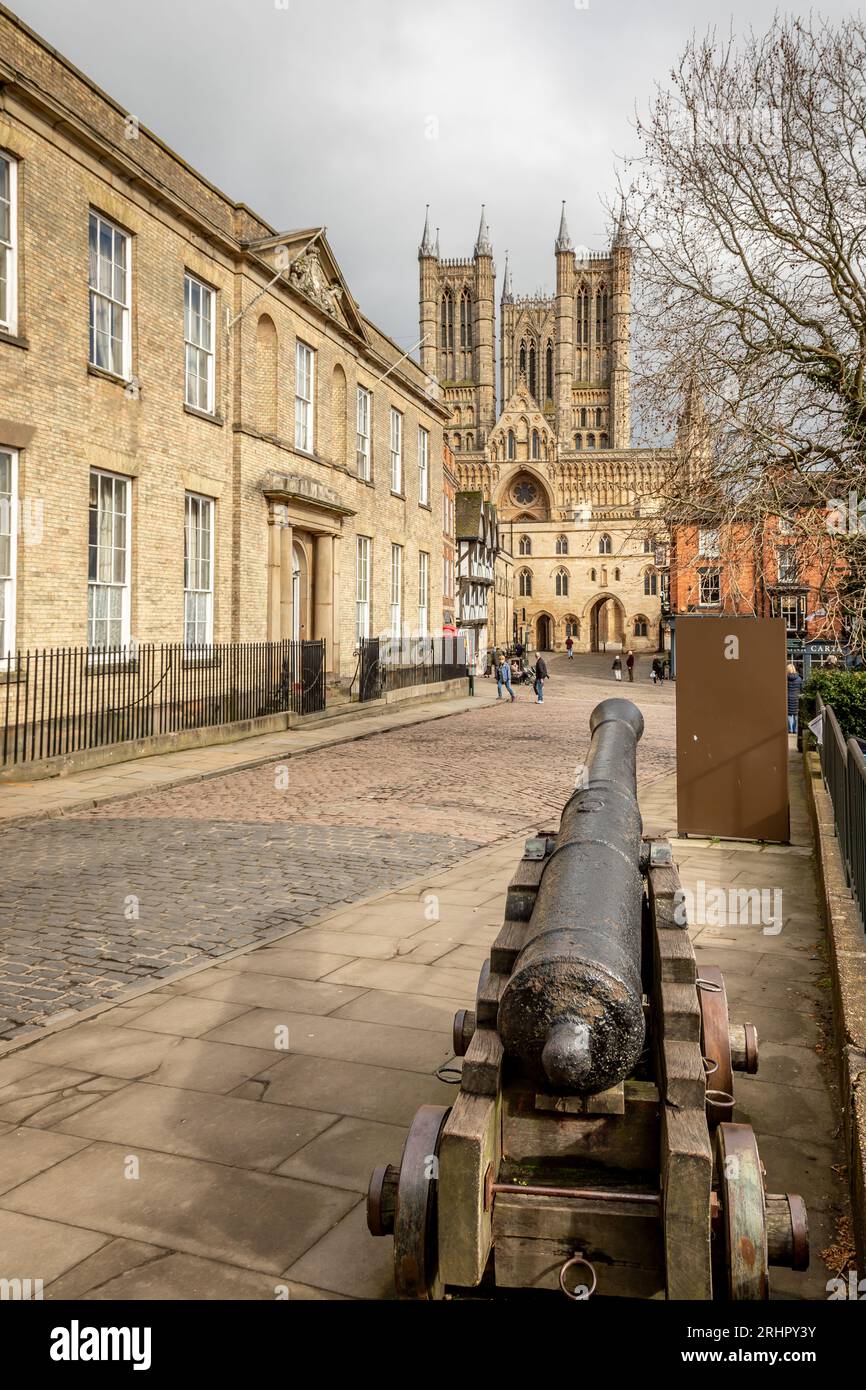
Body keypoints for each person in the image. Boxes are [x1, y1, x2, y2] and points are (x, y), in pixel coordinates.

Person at [786, 662, 803, 734]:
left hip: (788, 698)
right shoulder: (799, 679)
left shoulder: (786, 679)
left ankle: (790, 730)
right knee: (796, 714)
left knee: (789, 714)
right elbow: (802, 688)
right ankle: (795, 730)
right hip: (796, 698)